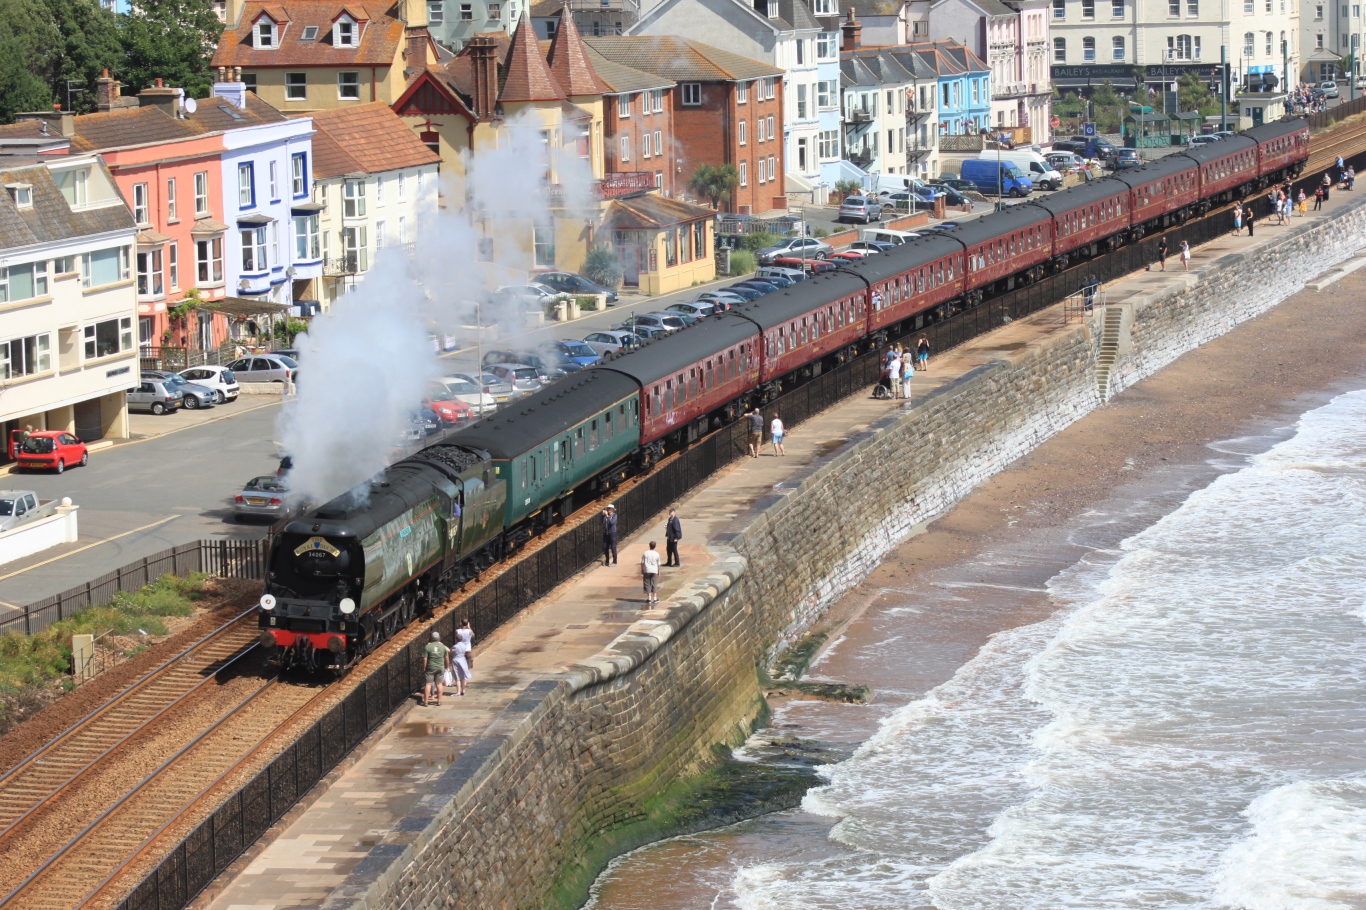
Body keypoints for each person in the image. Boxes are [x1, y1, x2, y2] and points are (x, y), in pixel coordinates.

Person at [422, 631, 450, 707]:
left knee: (428, 684)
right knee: (439, 684)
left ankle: (426, 701)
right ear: (439, 638)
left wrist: (424, 667)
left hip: (430, 667)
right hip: (440, 667)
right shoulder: (442, 647)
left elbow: (425, 658)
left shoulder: (427, 646)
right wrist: (447, 667)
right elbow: (446, 658)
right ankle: (439, 701)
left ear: (431, 638)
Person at [640, 540, 661, 605]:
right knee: (654, 584)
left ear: (649, 546)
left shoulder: (645, 553)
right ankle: (655, 598)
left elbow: (642, 562)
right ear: (655, 546)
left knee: (647, 583)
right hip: (654, 570)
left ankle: (649, 598)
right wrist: (659, 571)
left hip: (647, 570)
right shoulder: (657, 554)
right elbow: (658, 563)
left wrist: (642, 569)